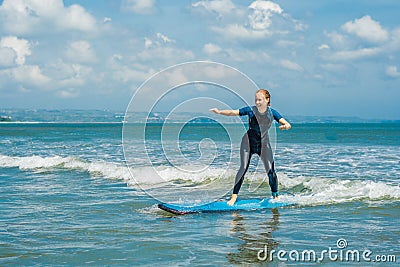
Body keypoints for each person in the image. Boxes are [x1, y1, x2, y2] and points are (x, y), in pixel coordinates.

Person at [210, 89, 291, 205]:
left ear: (267, 100)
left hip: (264, 145)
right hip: (247, 143)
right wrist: (219, 112)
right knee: (243, 168)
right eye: (256, 100)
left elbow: (286, 123)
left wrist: (285, 126)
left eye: (260, 100)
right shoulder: (251, 110)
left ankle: (275, 196)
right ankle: (233, 198)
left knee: (271, 171)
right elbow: (233, 112)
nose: (257, 102)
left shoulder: (272, 113)